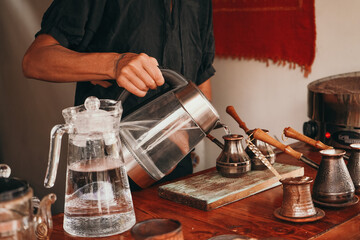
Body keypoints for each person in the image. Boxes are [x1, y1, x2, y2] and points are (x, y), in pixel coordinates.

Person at [22, 0, 216, 190]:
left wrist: (179, 140)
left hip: (176, 174)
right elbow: (35, 61)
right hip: (105, 172)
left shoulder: (201, 4)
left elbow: (200, 86)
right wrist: (113, 64)